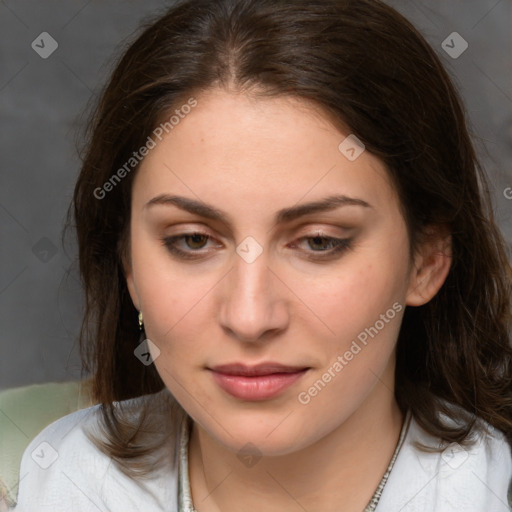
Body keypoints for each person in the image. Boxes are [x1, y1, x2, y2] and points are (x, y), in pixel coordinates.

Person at [11, 0, 512, 510]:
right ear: (129, 264)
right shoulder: (50, 481)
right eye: (193, 240)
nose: (250, 318)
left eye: (319, 241)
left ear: (426, 259)